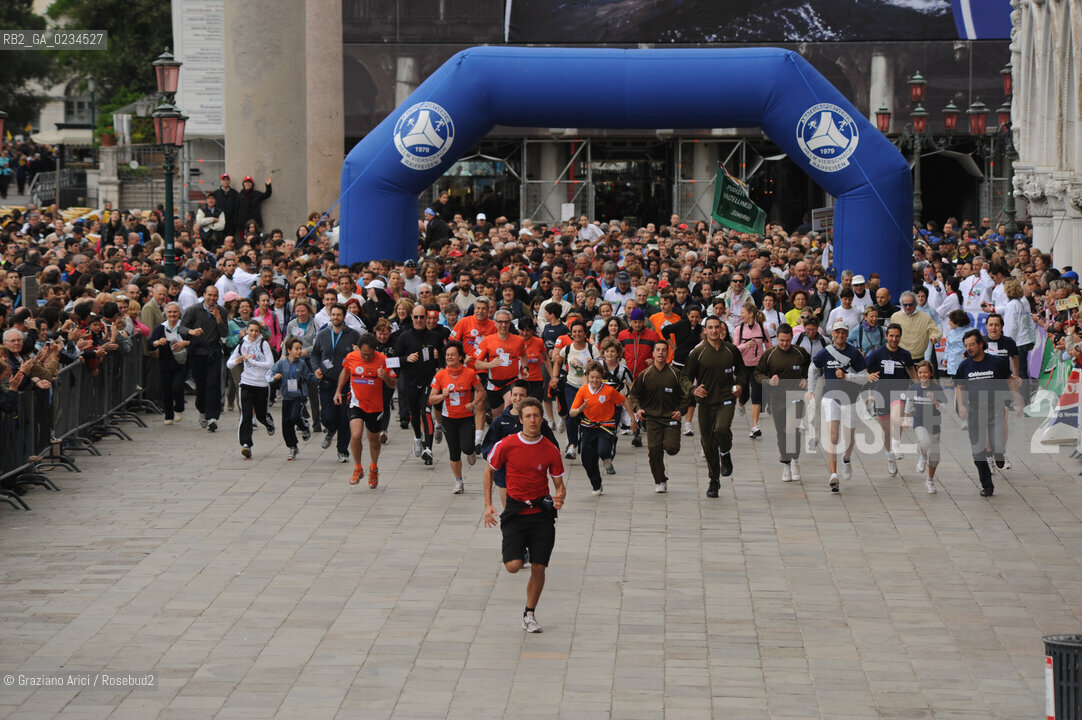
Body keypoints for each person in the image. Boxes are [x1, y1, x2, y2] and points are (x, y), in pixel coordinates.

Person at [483, 398, 567, 634]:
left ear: (542, 419)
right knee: (513, 566)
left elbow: (559, 483)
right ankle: (520, 551)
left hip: (541, 514)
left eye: (536, 416)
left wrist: (559, 496)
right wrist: (489, 504)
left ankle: (529, 614)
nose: (532, 420)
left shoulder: (550, 449)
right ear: (520, 420)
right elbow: (489, 470)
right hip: (516, 512)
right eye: (528, 416)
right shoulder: (507, 445)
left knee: (539, 567)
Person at [685, 315, 745, 498]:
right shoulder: (698, 352)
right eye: (709, 327)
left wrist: (740, 385)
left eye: (716, 327)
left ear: (721, 330)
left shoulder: (731, 350)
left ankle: (725, 452)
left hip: (726, 398)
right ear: (704, 330)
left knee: (722, 428)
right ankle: (714, 480)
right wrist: (694, 389)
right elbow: (685, 377)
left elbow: (742, 371)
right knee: (708, 443)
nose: (713, 331)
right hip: (705, 403)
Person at [954, 330, 1020, 496]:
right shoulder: (965, 366)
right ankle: (987, 486)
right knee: (978, 451)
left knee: (996, 441)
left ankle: (999, 453)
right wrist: (961, 405)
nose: (969, 348)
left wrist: (1018, 401)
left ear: (980, 344)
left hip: (995, 409)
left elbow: (1010, 381)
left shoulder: (996, 362)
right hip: (975, 411)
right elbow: (959, 387)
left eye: (971, 345)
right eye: (966, 346)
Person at [807, 319, 867, 493]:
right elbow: (813, 369)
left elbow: (864, 378)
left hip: (851, 398)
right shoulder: (825, 353)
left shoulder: (854, 353)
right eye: (837, 332)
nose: (840, 335)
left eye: (843, 332)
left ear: (847, 334)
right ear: (832, 334)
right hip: (830, 397)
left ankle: (846, 459)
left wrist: (847, 377)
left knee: (849, 438)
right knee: (833, 436)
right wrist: (811, 390)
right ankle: (833, 475)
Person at [481, 381, 560, 508]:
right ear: (510, 396)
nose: (518, 399)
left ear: (528, 397)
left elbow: (553, 447)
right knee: (509, 512)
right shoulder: (500, 421)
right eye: (515, 395)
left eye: (521, 395)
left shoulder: (539, 422)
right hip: (504, 474)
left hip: (530, 473)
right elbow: (487, 447)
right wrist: (499, 458)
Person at [627, 340, 691, 492]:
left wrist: (681, 411)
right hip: (653, 418)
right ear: (653, 353)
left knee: (671, 448)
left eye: (664, 350)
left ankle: (665, 442)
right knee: (654, 450)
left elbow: (685, 396)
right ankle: (660, 480)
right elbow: (634, 395)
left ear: (668, 353)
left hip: (671, 418)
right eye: (658, 350)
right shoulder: (645, 374)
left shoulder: (676, 374)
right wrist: (638, 409)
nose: (661, 353)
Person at [336, 333, 397, 487]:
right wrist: (338, 391)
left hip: (375, 406)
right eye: (364, 354)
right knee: (356, 434)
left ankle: (373, 467)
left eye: (370, 355)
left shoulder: (383, 360)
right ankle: (357, 467)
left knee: (373, 439)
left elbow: (393, 384)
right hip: (356, 402)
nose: (367, 357)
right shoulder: (351, 357)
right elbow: (345, 371)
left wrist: (385, 378)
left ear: (375, 351)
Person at [753, 324, 811, 482]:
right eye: (781, 340)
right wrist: (768, 380)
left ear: (792, 338)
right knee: (782, 432)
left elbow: (809, 366)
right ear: (777, 338)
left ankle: (794, 461)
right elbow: (758, 373)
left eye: (787, 340)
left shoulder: (800, 352)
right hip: (777, 398)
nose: (785, 343)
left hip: (796, 396)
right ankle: (785, 463)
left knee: (794, 430)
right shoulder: (770, 355)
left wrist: (805, 378)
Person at [429, 341, 486, 494]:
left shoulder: (470, 373)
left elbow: (481, 391)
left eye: (453, 354)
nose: (449, 357)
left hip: (466, 417)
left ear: (460, 356)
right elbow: (431, 399)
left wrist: (473, 403)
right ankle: (458, 481)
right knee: (454, 452)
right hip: (449, 419)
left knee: (467, 447)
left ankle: (471, 451)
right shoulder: (440, 375)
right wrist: (443, 395)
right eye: (447, 355)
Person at [864, 323, 916, 476]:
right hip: (881, 394)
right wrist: (868, 376)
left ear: (900, 337)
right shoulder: (877, 354)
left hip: (899, 392)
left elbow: (911, 370)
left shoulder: (905, 354)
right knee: (886, 431)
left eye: (897, 336)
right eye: (891, 336)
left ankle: (897, 443)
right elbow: (863, 367)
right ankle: (889, 456)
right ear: (886, 336)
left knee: (897, 417)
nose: (894, 339)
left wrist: (920, 386)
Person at [395, 303, 443, 465]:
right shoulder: (404, 337)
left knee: (426, 413)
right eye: (416, 317)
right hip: (410, 381)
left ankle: (428, 449)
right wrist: (405, 359)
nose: (419, 320)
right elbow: (392, 361)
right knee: (415, 414)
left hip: (429, 381)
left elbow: (444, 360)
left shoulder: (434, 336)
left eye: (422, 317)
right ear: (411, 318)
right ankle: (417, 436)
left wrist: (438, 356)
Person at [569, 360, 626, 496]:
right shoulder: (583, 391)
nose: (595, 380)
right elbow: (571, 412)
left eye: (597, 377)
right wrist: (579, 410)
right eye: (592, 377)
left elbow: (623, 400)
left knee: (602, 450)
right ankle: (596, 484)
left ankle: (607, 456)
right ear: (587, 376)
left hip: (606, 426)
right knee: (587, 459)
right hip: (588, 426)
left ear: (602, 377)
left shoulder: (609, 390)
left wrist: (633, 419)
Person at [311, 305, 360, 463]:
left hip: (346, 383)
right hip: (326, 382)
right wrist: (316, 368)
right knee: (328, 416)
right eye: (333, 315)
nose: (336, 317)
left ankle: (342, 450)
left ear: (344, 316)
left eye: (339, 315)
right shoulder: (323, 334)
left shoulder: (353, 335)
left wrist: (359, 351)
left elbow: (362, 355)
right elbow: (314, 355)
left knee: (344, 418)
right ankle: (330, 429)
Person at [181, 285, 229, 432]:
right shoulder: (193, 310)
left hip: (213, 352)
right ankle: (202, 411)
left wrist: (219, 319)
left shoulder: (221, 311)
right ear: (204, 295)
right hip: (197, 353)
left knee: (213, 384)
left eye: (215, 296)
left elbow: (224, 333)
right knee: (201, 385)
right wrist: (191, 331)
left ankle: (213, 417)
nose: (212, 298)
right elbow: (181, 328)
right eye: (210, 295)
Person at [226, 320, 276, 459]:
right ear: (246, 330)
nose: (253, 333)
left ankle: (268, 422)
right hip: (246, 384)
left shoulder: (263, 344)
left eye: (256, 331)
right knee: (246, 415)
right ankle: (246, 444)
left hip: (261, 385)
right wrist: (237, 361)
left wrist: (252, 361)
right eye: (251, 330)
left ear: (259, 332)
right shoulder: (242, 344)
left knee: (260, 414)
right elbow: (229, 363)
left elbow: (270, 364)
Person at [552, 320, 596, 459]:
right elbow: (557, 361)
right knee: (572, 413)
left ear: (585, 333)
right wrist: (555, 377)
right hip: (571, 385)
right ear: (571, 334)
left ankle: (584, 441)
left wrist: (593, 365)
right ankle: (572, 445)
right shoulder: (568, 349)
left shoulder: (592, 349)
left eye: (580, 331)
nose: (577, 334)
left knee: (587, 415)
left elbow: (601, 368)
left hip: (589, 387)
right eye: (574, 331)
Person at [474, 308, 527, 417]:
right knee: (497, 418)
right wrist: (490, 364)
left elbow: (523, 355)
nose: (503, 325)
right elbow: (476, 363)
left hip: (512, 382)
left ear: (510, 323)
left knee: (509, 408)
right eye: (500, 322)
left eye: (506, 322)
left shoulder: (519, 340)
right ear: (495, 323)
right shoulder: (487, 341)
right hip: (493, 384)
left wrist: (525, 368)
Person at [904, 360, 947, 494]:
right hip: (919, 422)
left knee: (935, 457)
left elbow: (945, 410)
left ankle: (930, 480)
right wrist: (905, 418)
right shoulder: (914, 388)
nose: (923, 375)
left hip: (934, 424)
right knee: (924, 442)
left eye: (925, 372)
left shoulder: (937, 389)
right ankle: (922, 456)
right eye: (920, 372)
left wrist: (935, 400)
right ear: (917, 373)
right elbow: (909, 404)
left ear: (931, 373)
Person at [269, 337, 315, 460]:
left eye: (300, 348)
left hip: (299, 396)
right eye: (296, 349)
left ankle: (304, 426)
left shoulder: (302, 363)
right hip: (286, 397)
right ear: (289, 350)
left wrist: (317, 377)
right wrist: (275, 377)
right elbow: (270, 374)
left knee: (295, 416)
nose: (299, 351)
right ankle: (292, 446)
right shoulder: (281, 363)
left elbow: (309, 377)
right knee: (286, 424)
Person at [148, 302, 190, 425]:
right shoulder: (160, 328)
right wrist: (157, 343)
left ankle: (179, 408)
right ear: (165, 314)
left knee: (177, 387)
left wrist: (185, 343)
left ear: (179, 313)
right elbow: (150, 343)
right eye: (170, 312)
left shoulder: (184, 326)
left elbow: (194, 340)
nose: (172, 314)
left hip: (181, 363)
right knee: (166, 390)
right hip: (165, 362)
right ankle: (168, 414)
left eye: (175, 312)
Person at [734, 303, 771, 438]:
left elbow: (769, 346)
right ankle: (741, 403)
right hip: (743, 366)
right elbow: (735, 348)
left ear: (750, 314)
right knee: (744, 394)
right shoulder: (739, 329)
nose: (741, 315)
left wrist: (769, 363)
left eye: (743, 312)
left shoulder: (762, 328)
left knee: (756, 395)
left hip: (758, 367)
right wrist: (745, 345)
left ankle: (755, 426)